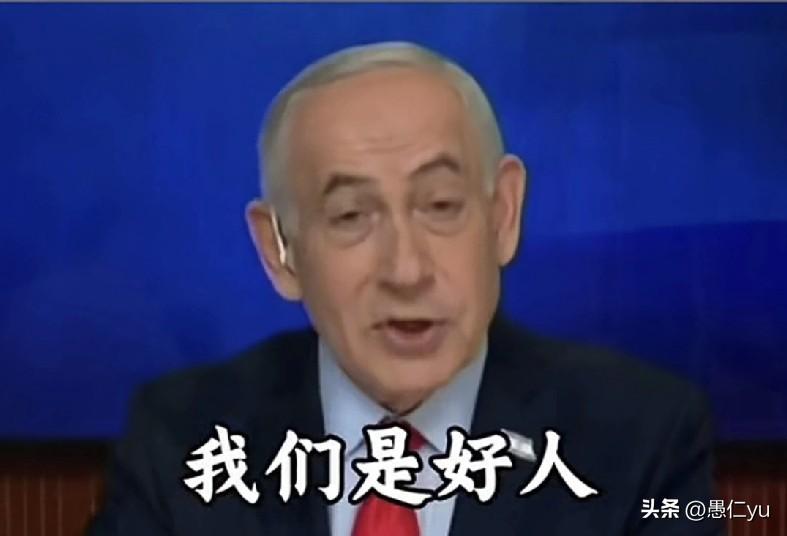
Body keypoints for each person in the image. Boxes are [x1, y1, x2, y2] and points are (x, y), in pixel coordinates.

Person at [88, 41, 722, 535]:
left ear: (503, 214)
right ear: (279, 250)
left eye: (441, 205)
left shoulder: (643, 437)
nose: (407, 270)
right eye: (350, 216)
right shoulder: (184, 441)